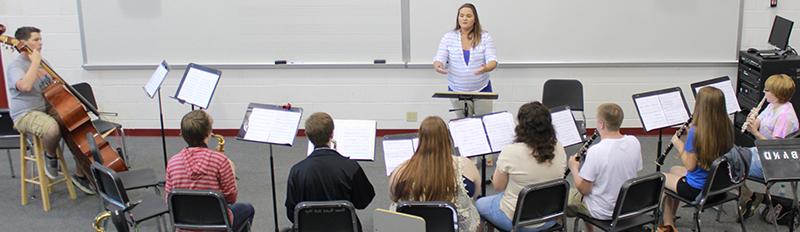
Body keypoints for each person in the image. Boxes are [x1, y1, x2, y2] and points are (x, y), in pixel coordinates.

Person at [4, 26, 94, 194]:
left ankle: (82, 174)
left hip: (45, 107)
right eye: (36, 40)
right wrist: (35, 63)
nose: (40, 43)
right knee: (52, 129)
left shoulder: (43, 62)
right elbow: (25, 86)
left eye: (40, 39)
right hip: (25, 114)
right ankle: (50, 156)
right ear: (23, 43)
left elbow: (53, 86)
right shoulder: (15, 67)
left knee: (74, 126)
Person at [476, 102, 565, 231]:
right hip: (550, 216)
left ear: (522, 127)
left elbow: (498, 186)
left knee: (479, 203)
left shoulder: (511, 151)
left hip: (518, 221)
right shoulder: (559, 147)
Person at [164, 110, 255, 231]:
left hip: (185, 226)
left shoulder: (172, 162)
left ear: (182, 134)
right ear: (208, 133)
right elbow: (231, 198)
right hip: (218, 224)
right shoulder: (220, 161)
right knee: (248, 209)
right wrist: (231, 173)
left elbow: (168, 200)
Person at [660, 87, 734, 231]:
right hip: (719, 185)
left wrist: (679, 143)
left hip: (699, 190)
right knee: (674, 170)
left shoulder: (696, 132)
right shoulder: (727, 125)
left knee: (662, 178)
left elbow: (690, 166)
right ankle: (671, 216)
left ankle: (668, 225)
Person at [389, 116, 480, 232]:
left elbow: (393, 197)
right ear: (447, 138)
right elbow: (475, 194)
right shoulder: (465, 165)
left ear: (420, 139)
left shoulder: (402, 170)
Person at [285, 112, 375, 226]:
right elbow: (362, 202)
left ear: (307, 136)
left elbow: (291, 214)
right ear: (332, 134)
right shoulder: (351, 167)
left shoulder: (296, 171)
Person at [566, 103, 642, 232]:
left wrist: (574, 168)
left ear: (601, 124)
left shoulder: (596, 151)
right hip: (626, 205)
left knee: (564, 197)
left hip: (603, 211)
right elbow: (635, 169)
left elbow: (584, 190)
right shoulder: (634, 141)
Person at [740, 74, 799, 218]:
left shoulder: (785, 115)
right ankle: (748, 195)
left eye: (767, 90)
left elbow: (774, 146)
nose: (763, 92)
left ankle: (748, 195)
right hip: (761, 153)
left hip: (772, 162)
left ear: (777, 94)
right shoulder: (773, 105)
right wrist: (753, 121)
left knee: (729, 164)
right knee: (729, 155)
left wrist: (754, 132)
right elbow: (760, 119)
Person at [433, 3, 498, 117]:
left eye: (468, 16)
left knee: (484, 123)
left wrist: (486, 68)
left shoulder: (485, 37)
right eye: (461, 15)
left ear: (475, 19)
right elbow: (439, 58)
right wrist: (438, 65)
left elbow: (492, 60)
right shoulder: (449, 37)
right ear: (458, 18)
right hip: (457, 90)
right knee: (463, 126)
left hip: (482, 89)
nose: (464, 18)